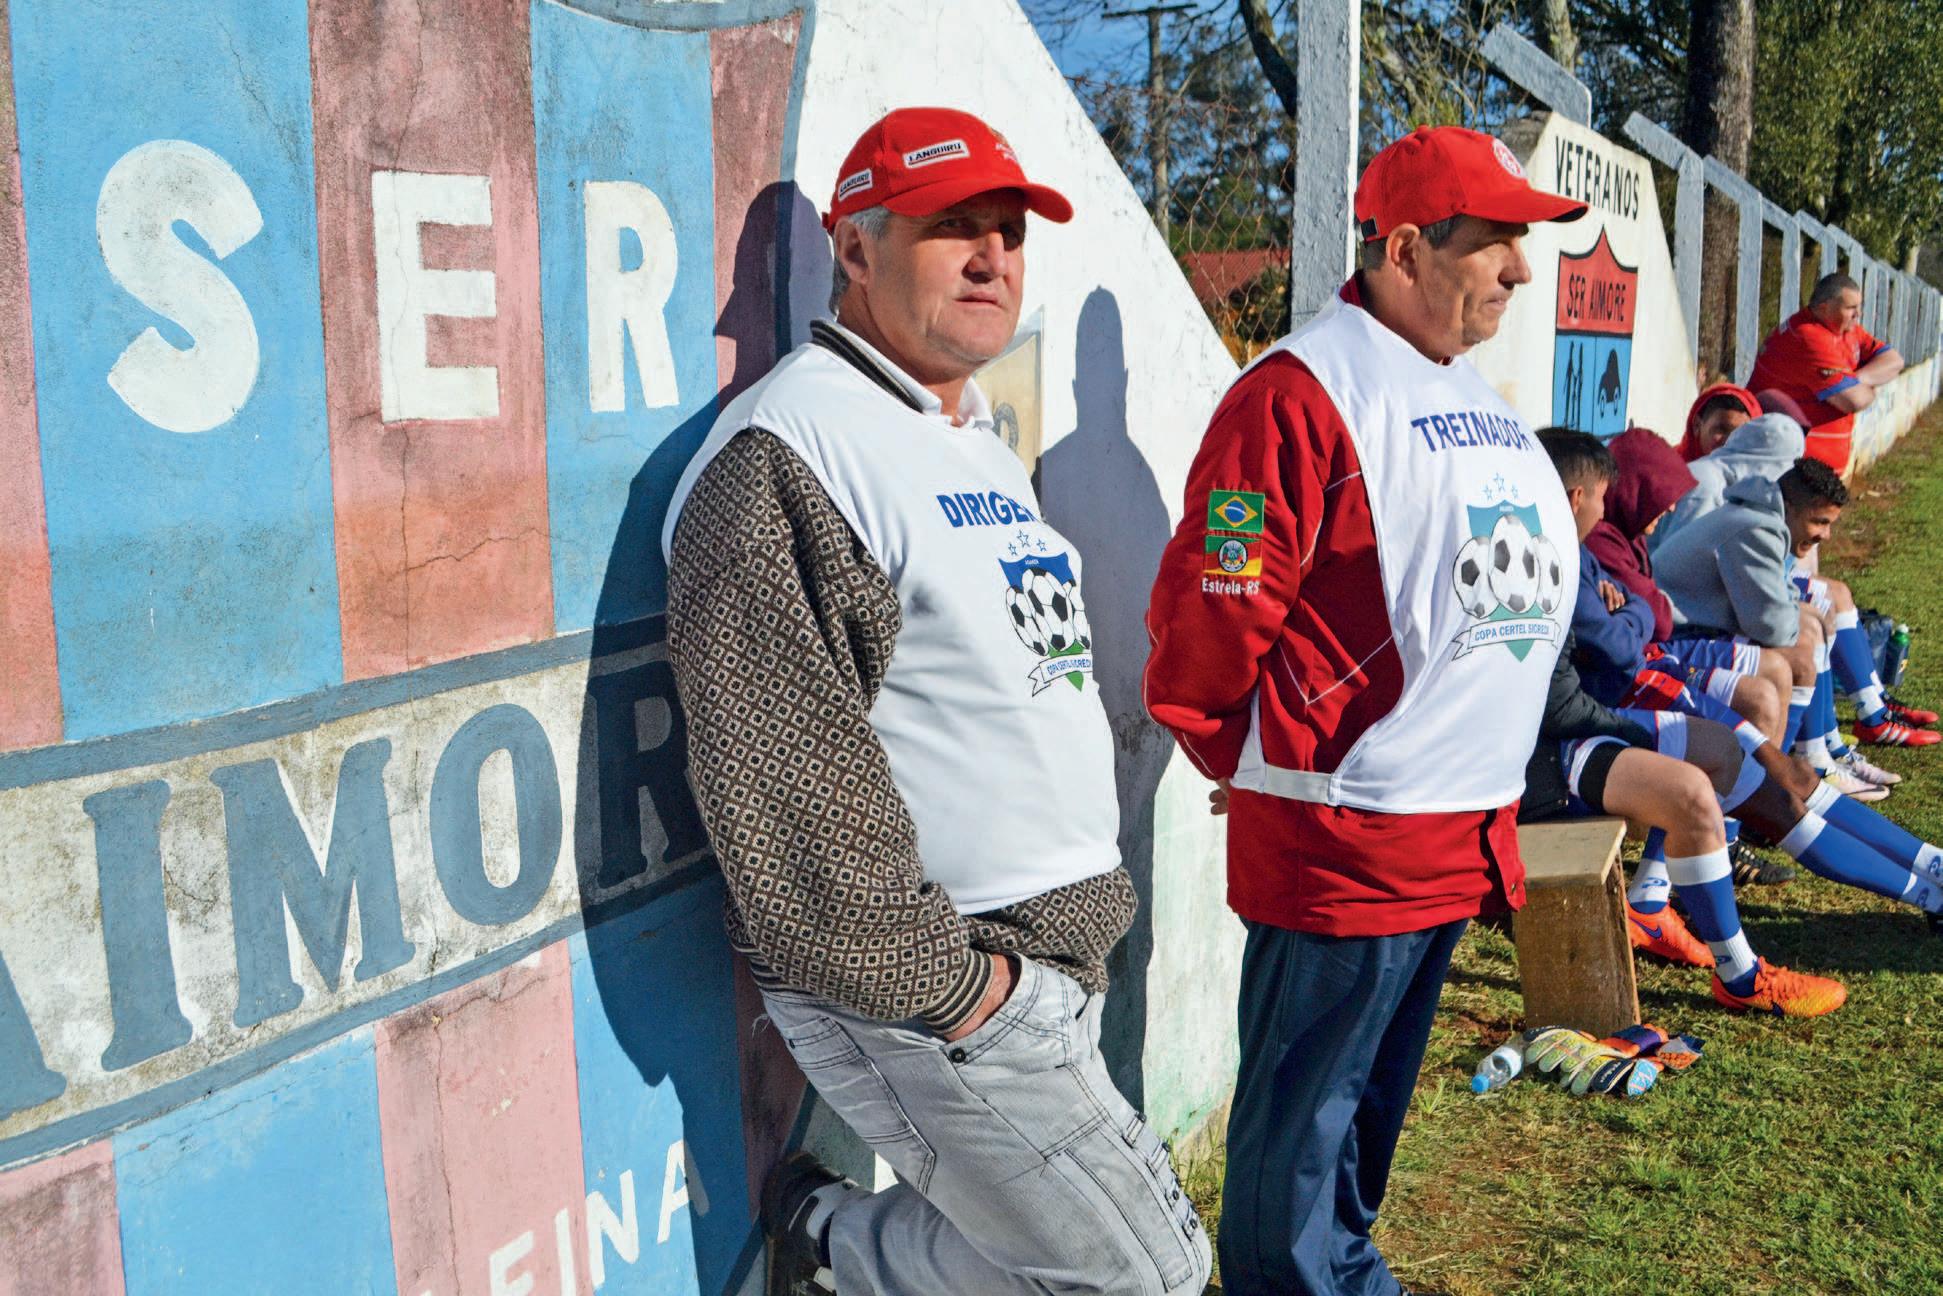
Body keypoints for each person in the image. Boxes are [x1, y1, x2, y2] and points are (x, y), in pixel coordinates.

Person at [662, 106, 1210, 1296]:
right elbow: (782, 780)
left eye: (1008, 233)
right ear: (854, 248)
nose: (991, 259)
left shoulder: (961, 438)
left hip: (1038, 964)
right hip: (946, 979)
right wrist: (958, 992)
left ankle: (823, 1241)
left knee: (1056, 1261)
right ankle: (828, 1242)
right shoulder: (788, 451)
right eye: (951, 227)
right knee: (1147, 1277)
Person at [1143, 124, 1587, 1296]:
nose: (1520, 269)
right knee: (1298, 1144)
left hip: (1452, 835)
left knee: (1357, 1126)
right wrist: (1244, 754)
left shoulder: (1462, 388)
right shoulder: (1293, 396)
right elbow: (1216, 603)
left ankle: (1343, 1268)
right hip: (1348, 843)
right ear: (1402, 249)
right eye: (1494, 242)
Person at [1747, 273, 1905, 475]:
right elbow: (1854, 401)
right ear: (1824, 308)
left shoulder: (1848, 330)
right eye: (1851, 308)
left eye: (1859, 306)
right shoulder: (1808, 337)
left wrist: (1857, 379)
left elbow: (1894, 361)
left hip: (1817, 472)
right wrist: (1865, 386)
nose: (1858, 314)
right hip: (1790, 469)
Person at [1677, 382, 1760, 461]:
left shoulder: (1757, 469)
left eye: (1741, 434)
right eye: (1722, 429)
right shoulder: (1672, 467)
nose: (1730, 442)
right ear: (1697, 425)